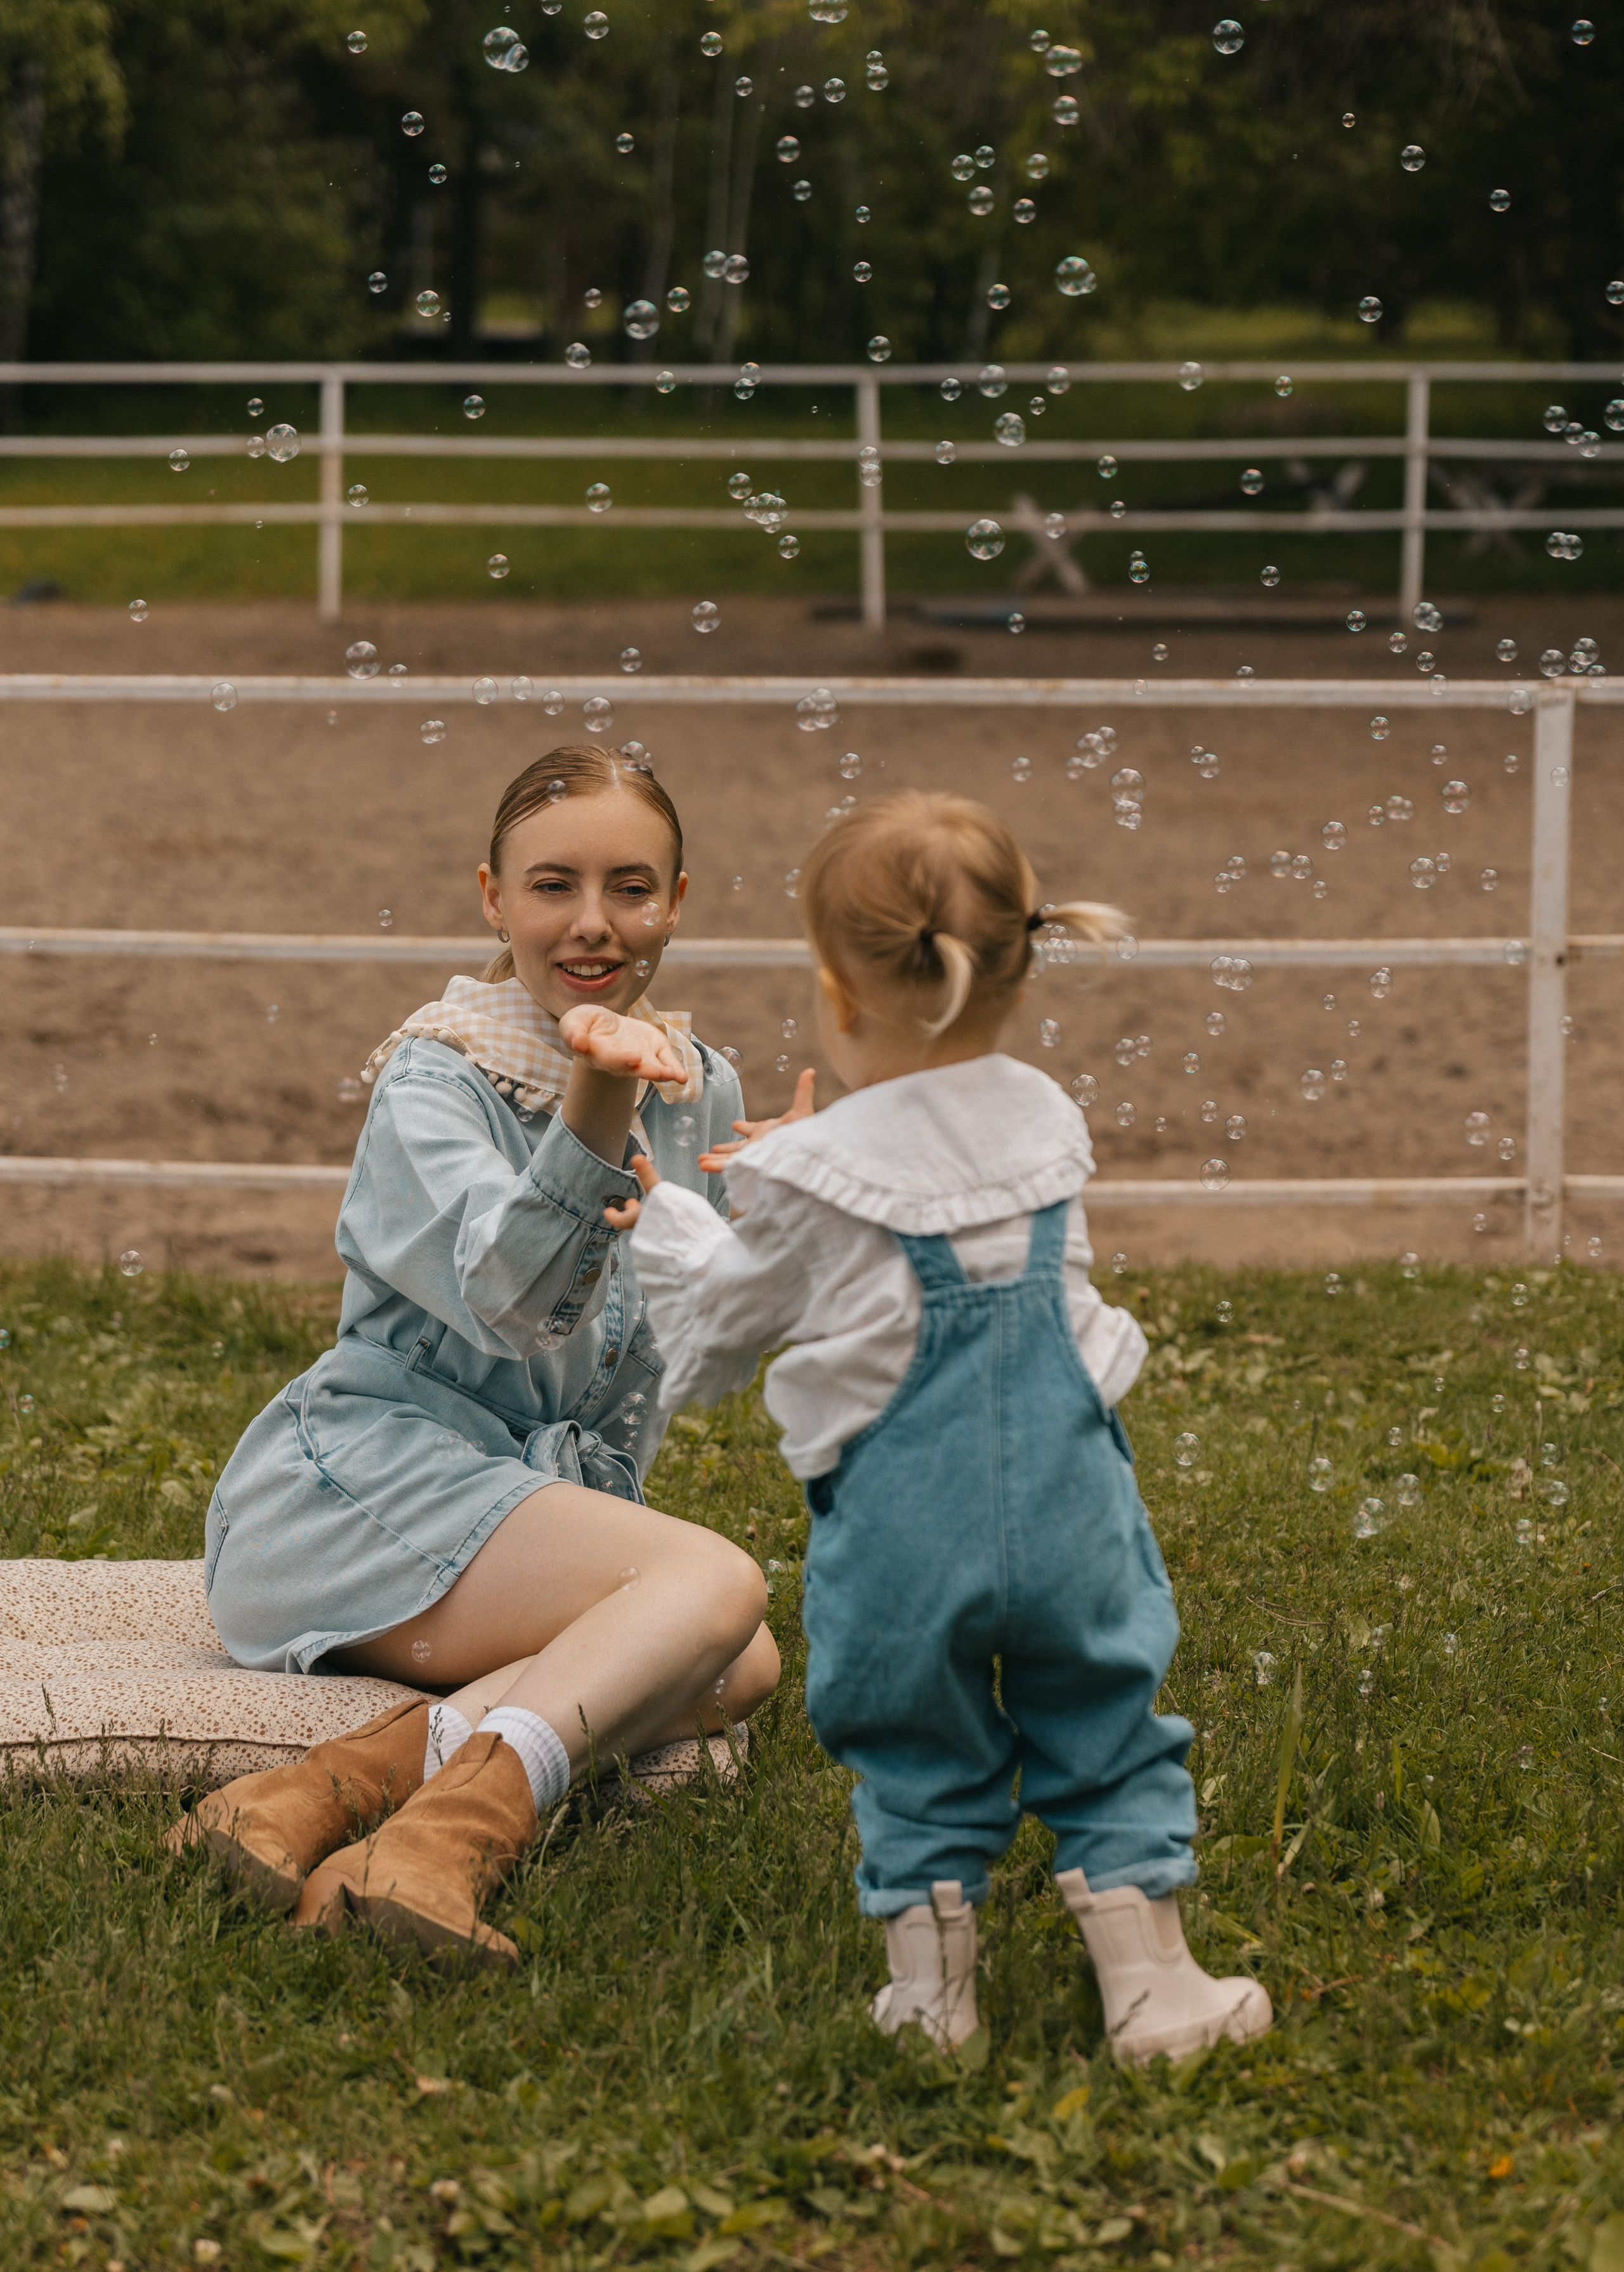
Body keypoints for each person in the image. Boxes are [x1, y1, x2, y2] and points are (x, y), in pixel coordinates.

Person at [616, 790, 1272, 2063]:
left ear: (836, 991)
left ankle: (931, 2006)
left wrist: (680, 1221)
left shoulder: (815, 1172)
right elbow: (976, 1209)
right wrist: (825, 1156)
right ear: (1015, 970)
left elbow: (723, 1324)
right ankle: (1155, 1994)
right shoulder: (1042, 1119)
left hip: (906, 1529)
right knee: (1099, 1712)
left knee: (915, 1739)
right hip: (1073, 1498)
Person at [171, 747, 780, 1967]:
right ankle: (455, 1836)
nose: (594, 922)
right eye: (553, 885)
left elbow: (715, 1323)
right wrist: (594, 1101)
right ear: (493, 899)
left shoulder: (698, 1083)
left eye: (632, 887)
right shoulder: (436, 1077)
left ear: (679, 901)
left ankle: (319, 1796)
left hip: (519, 1516)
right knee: (717, 1591)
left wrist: (804, 1206)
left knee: (740, 1660)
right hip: (358, 1490)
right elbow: (515, 1299)